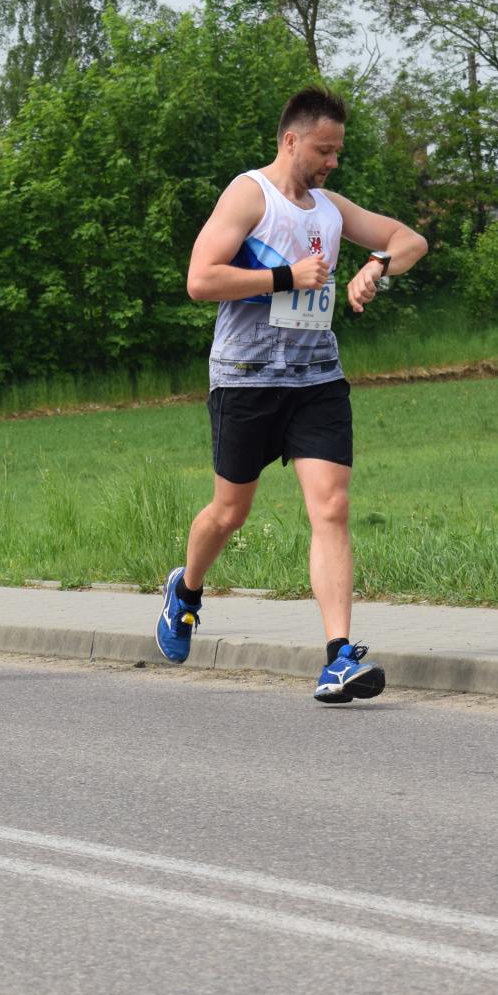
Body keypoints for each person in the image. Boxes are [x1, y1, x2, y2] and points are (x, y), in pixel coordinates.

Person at [157, 86, 427, 702]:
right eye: (324, 151)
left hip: (316, 378)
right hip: (246, 377)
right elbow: (200, 279)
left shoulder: (330, 208)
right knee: (230, 512)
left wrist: (375, 266)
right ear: (291, 141)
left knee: (331, 507)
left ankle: (339, 657)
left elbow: (409, 240)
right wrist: (285, 276)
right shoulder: (249, 194)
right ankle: (187, 589)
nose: (333, 161)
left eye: (338, 152)